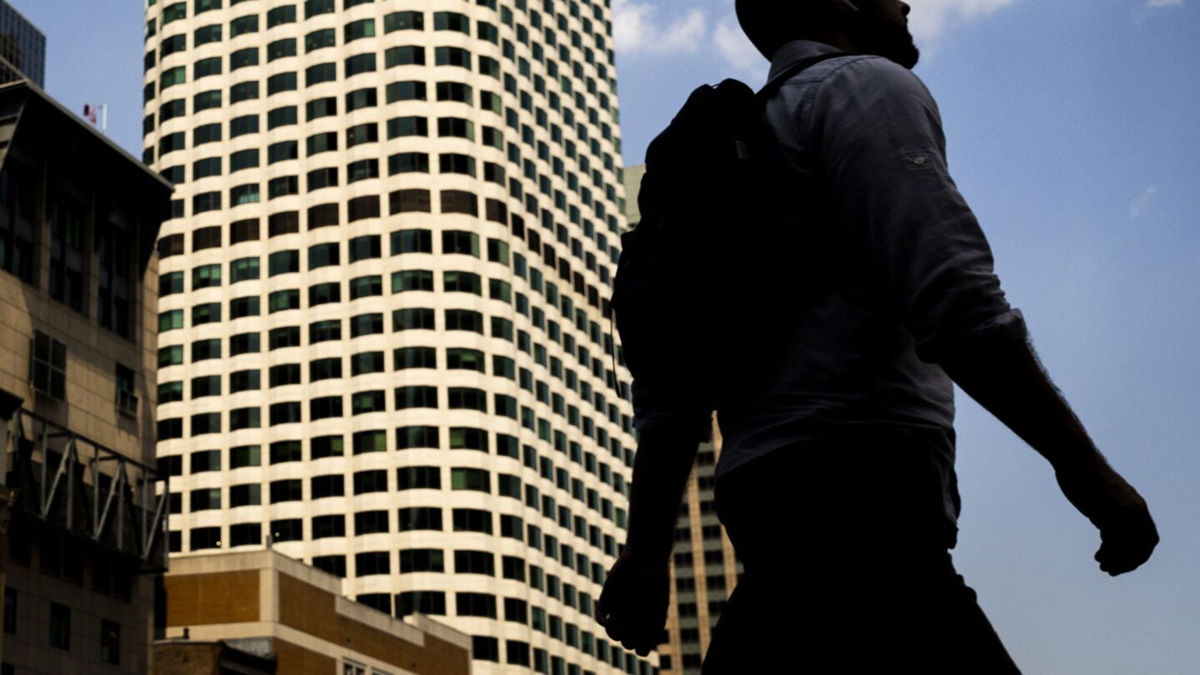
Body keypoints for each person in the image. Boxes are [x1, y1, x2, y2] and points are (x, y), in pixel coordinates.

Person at [596, 1, 1160, 672]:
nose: (905, 1)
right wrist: (1088, 473)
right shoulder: (862, 88)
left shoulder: (736, 149)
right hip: (869, 512)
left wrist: (646, 551)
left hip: (770, 534)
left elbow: (674, 385)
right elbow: (960, 304)